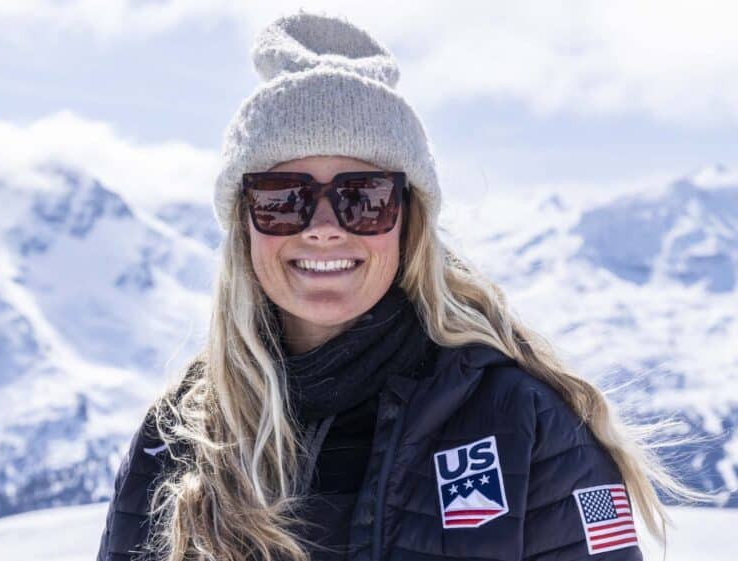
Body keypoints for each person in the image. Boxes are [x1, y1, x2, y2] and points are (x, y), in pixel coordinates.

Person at [96, 10, 694, 561]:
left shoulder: (525, 424)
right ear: (244, 224)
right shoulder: (178, 438)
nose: (324, 228)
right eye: (284, 199)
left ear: (409, 223)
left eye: (364, 198)